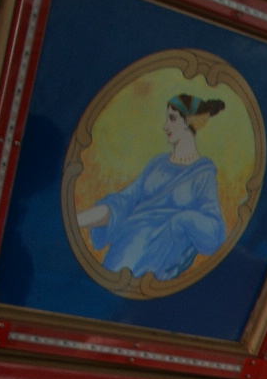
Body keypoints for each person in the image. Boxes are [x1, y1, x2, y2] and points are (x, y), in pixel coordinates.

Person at [76, 93, 228, 283]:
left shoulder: (202, 173)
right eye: (167, 119)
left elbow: (214, 229)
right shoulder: (156, 164)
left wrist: (180, 221)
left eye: (172, 119)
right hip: (126, 247)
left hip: (159, 260)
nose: (166, 126)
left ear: (188, 121)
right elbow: (124, 201)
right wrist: (79, 220)